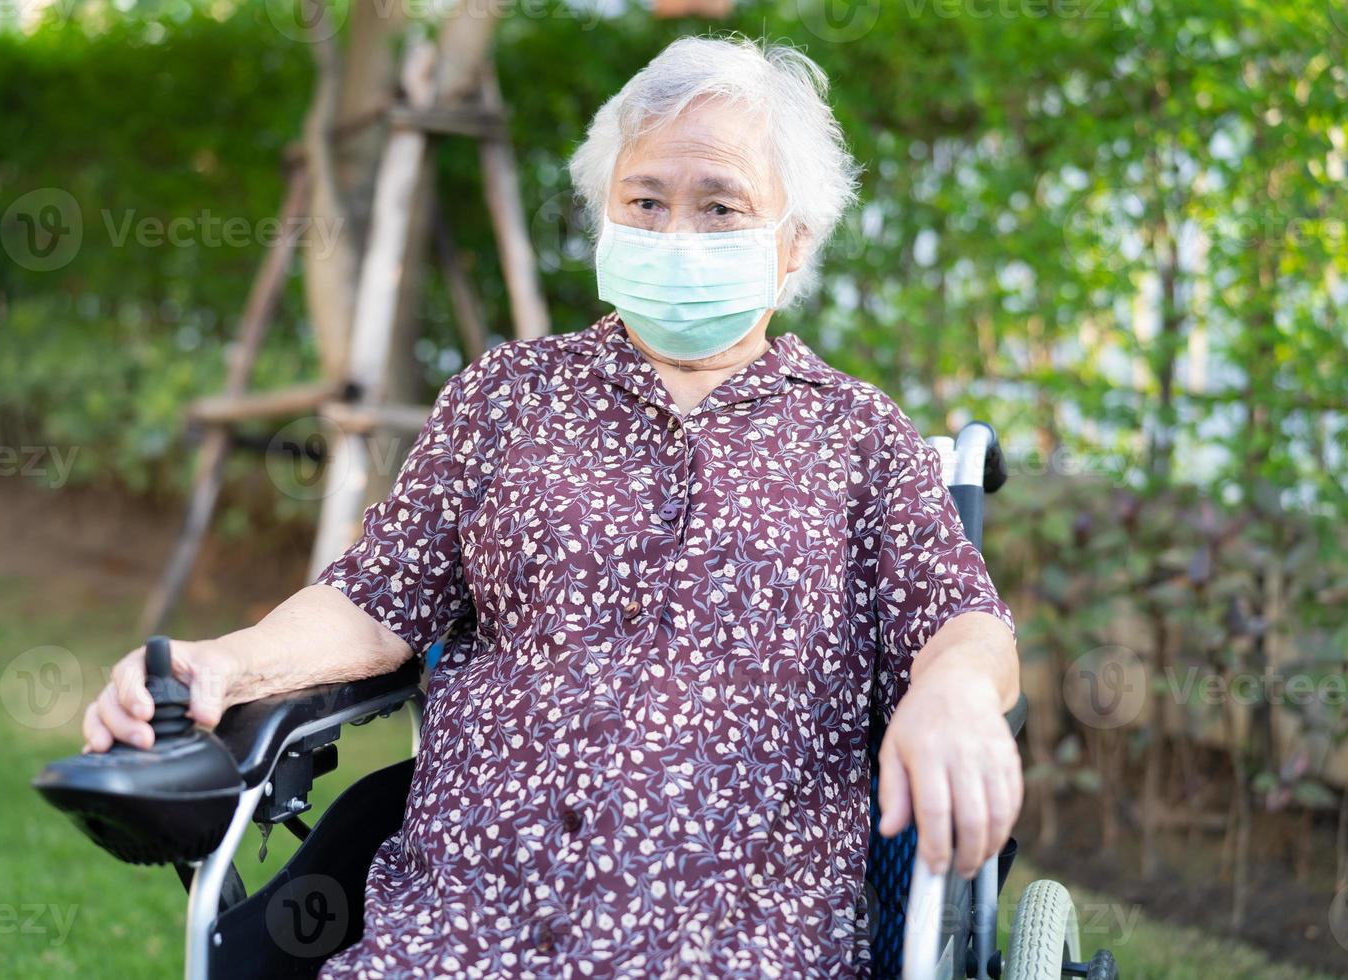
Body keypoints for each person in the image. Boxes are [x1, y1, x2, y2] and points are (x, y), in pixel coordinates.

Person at [83, 35, 1022, 978]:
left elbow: (961, 621)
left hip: (739, 939)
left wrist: (955, 691)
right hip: (461, 926)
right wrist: (224, 664)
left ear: (794, 243)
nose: (675, 236)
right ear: (604, 212)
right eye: (645, 201)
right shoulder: (508, 396)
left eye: (721, 207)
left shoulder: (857, 434)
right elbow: (376, 598)